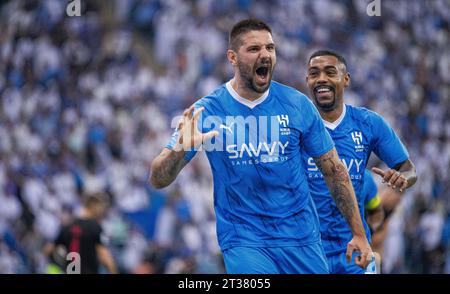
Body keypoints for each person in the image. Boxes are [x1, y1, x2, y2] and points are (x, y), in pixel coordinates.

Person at [150, 19, 372, 274]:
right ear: (232, 57)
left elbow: (334, 171)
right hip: (245, 242)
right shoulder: (207, 111)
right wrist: (179, 150)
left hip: (301, 239)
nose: (265, 54)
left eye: (270, 47)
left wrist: (359, 233)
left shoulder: (297, 105)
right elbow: (157, 178)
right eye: (254, 49)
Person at [303, 49, 417, 274]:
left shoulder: (368, 123)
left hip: (355, 251)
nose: (322, 79)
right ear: (308, 81)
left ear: (345, 80)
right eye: (314, 73)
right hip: (308, 252)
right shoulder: (297, 127)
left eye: (330, 72)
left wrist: (402, 178)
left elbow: (408, 169)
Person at [44, 192, 117, 274]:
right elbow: (104, 256)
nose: (103, 211)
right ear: (93, 205)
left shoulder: (67, 226)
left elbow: (48, 250)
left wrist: (58, 264)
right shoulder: (94, 227)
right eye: (102, 207)